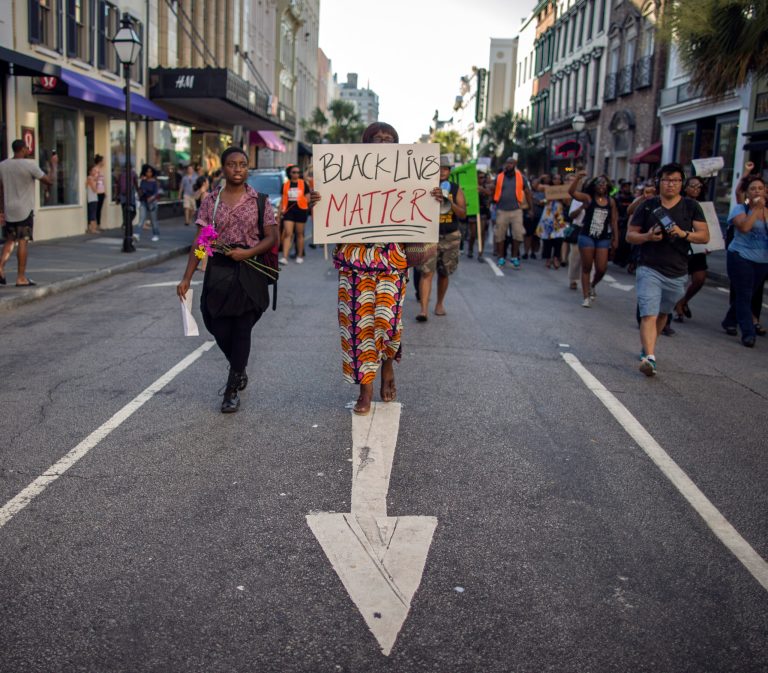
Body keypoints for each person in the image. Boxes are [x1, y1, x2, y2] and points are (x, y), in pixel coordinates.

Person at [176, 146, 278, 413]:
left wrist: (247, 252)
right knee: (214, 322)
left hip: (249, 269)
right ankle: (239, 367)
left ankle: (231, 389)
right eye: (232, 164)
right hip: (219, 268)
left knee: (242, 327)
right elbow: (202, 241)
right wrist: (187, 276)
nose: (238, 169)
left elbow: (271, 238)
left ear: (247, 167)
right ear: (223, 168)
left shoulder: (260, 200)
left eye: (242, 164)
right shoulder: (212, 201)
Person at [627, 163, 709, 375]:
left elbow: (704, 236)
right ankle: (650, 357)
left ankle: (648, 348)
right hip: (649, 266)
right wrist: (647, 237)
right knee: (648, 313)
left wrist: (684, 234)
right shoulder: (648, 205)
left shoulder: (691, 207)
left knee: (663, 313)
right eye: (666, 180)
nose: (670, 184)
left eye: (675, 181)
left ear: (681, 183)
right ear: (659, 182)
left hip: (677, 270)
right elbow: (631, 235)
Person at [0, 139, 57, 286]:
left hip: (9, 209)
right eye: (27, 148)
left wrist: (1, 209)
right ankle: (21, 277)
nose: (28, 150)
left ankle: (0, 268)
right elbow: (49, 181)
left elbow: (1, 188)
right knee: (23, 241)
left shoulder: (3, 165)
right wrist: (54, 165)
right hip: (24, 210)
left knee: (9, 240)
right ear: (23, 149)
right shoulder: (29, 165)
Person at [417, 154, 467, 321]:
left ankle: (439, 304)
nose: (442, 171)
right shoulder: (425, 186)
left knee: (444, 273)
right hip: (429, 235)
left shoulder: (455, 188)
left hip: (450, 236)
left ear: (449, 171)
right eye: (439, 168)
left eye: (445, 168)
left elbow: (463, 214)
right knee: (426, 272)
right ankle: (423, 309)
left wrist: (448, 201)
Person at [721, 175, 768, 347]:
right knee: (745, 294)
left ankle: (729, 320)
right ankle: (748, 333)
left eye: (760, 188)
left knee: (746, 294)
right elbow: (745, 227)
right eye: (753, 189)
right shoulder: (739, 209)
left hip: (762, 261)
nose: (757, 191)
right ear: (747, 193)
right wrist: (756, 209)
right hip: (740, 256)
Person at [569, 172, 619, 307]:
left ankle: (593, 285)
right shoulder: (588, 198)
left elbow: (614, 221)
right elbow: (572, 192)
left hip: (602, 238)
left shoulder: (611, 201)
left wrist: (616, 239)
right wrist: (578, 179)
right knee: (586, 267)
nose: (601, 186)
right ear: (594, 186)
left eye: (604, 184)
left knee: (602, 268)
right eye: (599, 183)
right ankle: (586, 297)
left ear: (607, 186)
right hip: (586, 236)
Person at [673, 177, 709, 322]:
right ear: (685, 187)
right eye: (692, 186)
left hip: (697, 247)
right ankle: (674, 309)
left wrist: (709, 244)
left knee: (699, 278)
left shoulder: (704, 206)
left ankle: (683, 301)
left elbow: (709, 229)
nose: (695, 189)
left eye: (699, 187)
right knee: (678, 280)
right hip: (680, 246)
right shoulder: (677, 203)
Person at [492, 154, 532, 268]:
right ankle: (501, 257)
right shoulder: (499, 177)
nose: (509, 165)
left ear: (515, 165)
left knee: (518, 234)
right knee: (500, 235)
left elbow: (528, 193)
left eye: (511, 163)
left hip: (516, 210)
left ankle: (514, 257)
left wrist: (530, 208)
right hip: (501, 210)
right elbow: (493, 190)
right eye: (507, 163)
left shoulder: (521, 177)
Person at [279, 165, 310, 265]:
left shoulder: (303, 184)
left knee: (300, 234)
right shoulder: (285, 185)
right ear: (290, 173)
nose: (296, 174)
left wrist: (301, 199)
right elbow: (282, 200)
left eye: (298, 172)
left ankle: (299, 256)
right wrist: (279, 214)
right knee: (288, 233)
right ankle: (284, 257)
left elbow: (308, 198)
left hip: (301, 211)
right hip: (289, 212)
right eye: (294, 172)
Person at [535, 185, 567, 269]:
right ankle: (548, 259)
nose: (556, 181)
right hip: (548, 218)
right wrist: (548, 197)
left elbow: (567, 202)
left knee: (558, 239)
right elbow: (540, 197)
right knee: (547, 239)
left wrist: (561, 198)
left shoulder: (564, 190)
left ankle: (556, 258)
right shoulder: (547, 188)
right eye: (555, 179)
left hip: (559, 218)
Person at [466, 168, 491, 261]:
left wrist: (482, 190)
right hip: (473, 212)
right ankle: (470, 249)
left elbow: (489, 193)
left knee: (482, 233)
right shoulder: (471, 186)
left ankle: (480, 253)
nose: (482, 179)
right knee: (473, 234)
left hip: (482, 212)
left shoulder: (485, 186)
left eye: (483, 177)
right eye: (480, 177)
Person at [136, 164, 161, 242]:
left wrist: (152, 197)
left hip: (152, 203)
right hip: (143, 201)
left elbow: (156, 193)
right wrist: (140, 193)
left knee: (153, 220)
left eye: (150, 172)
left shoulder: (154, 182)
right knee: (141, 219)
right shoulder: (143, 181)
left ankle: (156, 234)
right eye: (147, 172)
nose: (149, 173)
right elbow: (141, 190)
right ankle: (137, 234)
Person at [93, 154, 107, 230]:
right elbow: (94, 179)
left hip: (101, 191)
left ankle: (99, 224)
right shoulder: (95, 169)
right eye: (102, 161)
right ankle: (95, 224)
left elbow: (103, 181)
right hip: (97, 192)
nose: (103, 162)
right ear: (99, 162)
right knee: (96, 208)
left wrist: (105, 191)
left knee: (100, 208)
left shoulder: (101, 170)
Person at [85, 164, 99, 234]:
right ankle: (92, 229)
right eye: (94, 170)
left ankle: (91, 227)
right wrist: (95, 181)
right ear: (90, 171)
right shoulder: (90, 178)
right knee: (92, 213)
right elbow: (94, 189)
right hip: (91, 199)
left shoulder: (92, 178)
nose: (95, 172)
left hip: (94, 198)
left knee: (94, 212)